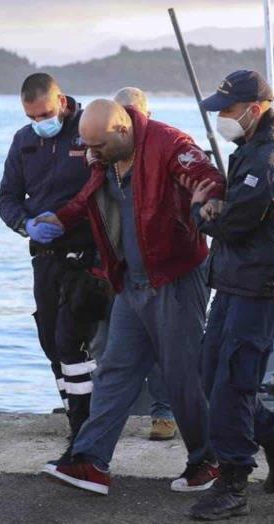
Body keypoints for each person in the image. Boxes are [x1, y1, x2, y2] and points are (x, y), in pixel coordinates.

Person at [38, 99, 226, 495]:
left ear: (122, 131)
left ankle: (207, 460)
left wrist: (205, 202)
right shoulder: (105, 154)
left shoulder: (168, 142)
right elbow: (91, 194)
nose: (91, 155)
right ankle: (91, 461)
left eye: (98, 147)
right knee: (114, 371)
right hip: (130, 283)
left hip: (174, 279)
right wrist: (60, 218)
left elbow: (206, 176)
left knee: (181, 377)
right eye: (87, 147)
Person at [183, 70, 274, 520]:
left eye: (228, 110)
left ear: (254, 110)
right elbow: (238, 213)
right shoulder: (251, 150)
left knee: (234, 379)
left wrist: (201, 208)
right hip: (238, 277)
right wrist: (222, 207)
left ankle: (234, 481)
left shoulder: (266, 159)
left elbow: (235, 224)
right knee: (209, 371)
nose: (221, 117)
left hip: (261, 282)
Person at [0, 74, 108, 463]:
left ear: (60, 100)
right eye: (31, 116)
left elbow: (100, 185)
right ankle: (77, 424)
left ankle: (85, 434)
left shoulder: (88, 129)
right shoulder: (24, 141)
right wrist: (25, 224)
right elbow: (6, 198)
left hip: (85, 253)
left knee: (70, 342)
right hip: (44, 255)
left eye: (44, 113)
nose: (40, 122)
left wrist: (64, 218)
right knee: (49, 342)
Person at [113, 86, 176, 442]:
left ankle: (165, 413)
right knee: (117, 350)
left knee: (166, 346)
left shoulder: (166, 147)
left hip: (165, 267)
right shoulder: (108, 155)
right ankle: (109, 420)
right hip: (125, 268)